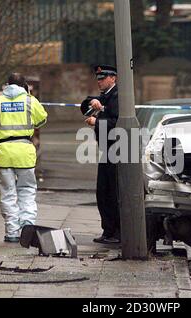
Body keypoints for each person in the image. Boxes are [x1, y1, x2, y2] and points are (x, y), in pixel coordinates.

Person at [0, 73, 48, 243]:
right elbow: (42, 119)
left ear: (6, 85)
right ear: (25, 86)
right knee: (27, 192)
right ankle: (27, 229)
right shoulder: (30, 101)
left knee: (8, 194)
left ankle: (12, 232)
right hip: (25, 153)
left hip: (4, 153)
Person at [81, 65, 120, 244]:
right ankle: (109, 230)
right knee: (103, 192)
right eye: (98, 78)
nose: (99, 81)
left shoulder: (118, 96)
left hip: (119, 150)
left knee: (112, 193)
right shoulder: (106, 96)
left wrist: (97, 121)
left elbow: (117, 125)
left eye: (103, 78)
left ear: (113, 78)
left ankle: (116, 232)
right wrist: (92, 103)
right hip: (108, 149)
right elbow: (86, 103)